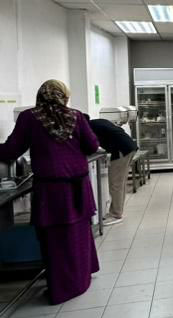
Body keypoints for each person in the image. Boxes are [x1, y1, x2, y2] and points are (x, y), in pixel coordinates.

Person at [0, 80, 100, 305]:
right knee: (79, 233)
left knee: (55, 239)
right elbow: (92, 146)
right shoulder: (76, 116)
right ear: (63, 95)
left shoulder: (29, 118)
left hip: (51, 190)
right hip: (78, 186)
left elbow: (11, 150)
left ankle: (63, 287)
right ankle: (81, 278)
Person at [85, 115, 138, 225]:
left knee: (115, 184)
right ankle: (117, 211)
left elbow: (92, 145)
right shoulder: (98, 122)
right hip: (128, 147)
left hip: (121, 151)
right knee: (120, 183)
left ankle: (116, 214)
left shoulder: (89, 129)